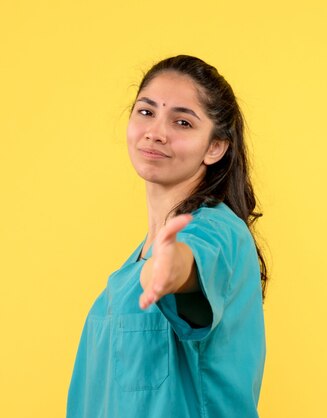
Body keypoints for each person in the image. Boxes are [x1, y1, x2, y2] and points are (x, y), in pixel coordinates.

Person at [67, 55, 267, 418]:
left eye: (182, 121)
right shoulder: (129, 271)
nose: (156, 131)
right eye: (146, 112)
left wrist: (170, 267)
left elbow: (187, 264)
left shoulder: (217, 231)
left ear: (215, 147)